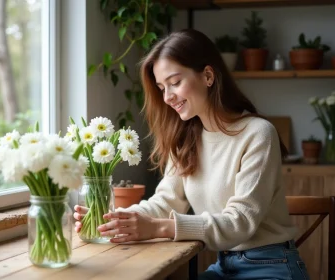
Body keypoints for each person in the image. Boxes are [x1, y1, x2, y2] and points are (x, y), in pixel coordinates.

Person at [74, 29, 310, 279]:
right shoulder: (187, 139)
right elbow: (164, 202)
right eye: (162, 87)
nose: (167, 97)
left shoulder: (258, 134)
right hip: (224, 266)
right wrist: (112, 219)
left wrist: (158, 228)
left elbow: (240, 222)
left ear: (208, 76)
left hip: (271, 266)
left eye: (175, 83)